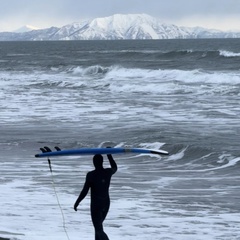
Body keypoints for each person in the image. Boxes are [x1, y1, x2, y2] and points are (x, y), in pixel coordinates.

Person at [74, 153, 117, 240]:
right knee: (98, 227)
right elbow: (115, 168)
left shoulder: (91, 175)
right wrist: (109, 155)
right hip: (106, 203)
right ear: (102, 162)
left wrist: (77, 202)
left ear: (94, 162)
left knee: (98, 229)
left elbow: (85, 191)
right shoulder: (107, 172)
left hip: (96, 205)